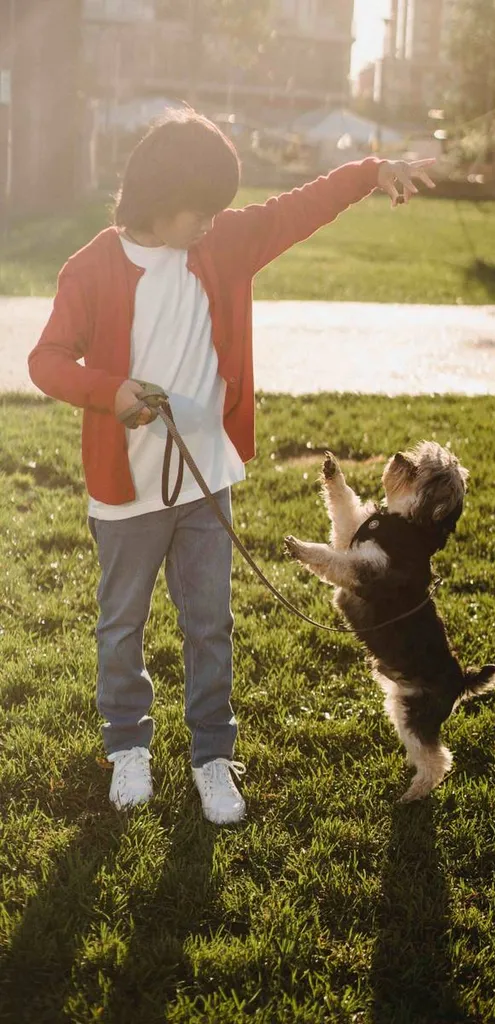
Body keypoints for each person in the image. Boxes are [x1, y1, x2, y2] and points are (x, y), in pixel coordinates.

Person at [27, 108, 436, 825]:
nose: (213, 223)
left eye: (220, 209)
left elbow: (302, 206)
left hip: (205, 481)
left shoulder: (224, 246)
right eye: (201, 209)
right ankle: (128, 746)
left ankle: (213, 756)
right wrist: (111, 392)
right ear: (158, 196)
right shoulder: (90, 268)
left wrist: (373, 172)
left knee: (208, 624)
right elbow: (46, 362)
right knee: (120, 627)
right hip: (125, 496)